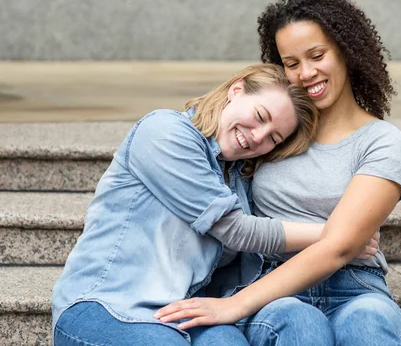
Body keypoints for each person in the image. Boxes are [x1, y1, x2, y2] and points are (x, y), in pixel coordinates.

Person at [156, 0, 401, 345]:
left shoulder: (382, 141)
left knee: (369, 321)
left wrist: (234, 306)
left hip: (356, 286)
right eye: (291, 63)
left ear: (346, 51)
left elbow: (340, 248)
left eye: (317, 55)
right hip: (272, 288)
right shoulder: (270, 131)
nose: (307, 73)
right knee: (298, 321)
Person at [52, 64, 333, 346]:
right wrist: (339, 235)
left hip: (180, 312)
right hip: (106, 306)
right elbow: (235, 230)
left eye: (274, 138)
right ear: (236, 90)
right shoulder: (164, 132)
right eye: (260, 116)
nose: (259, 137)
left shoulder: (237, 177)